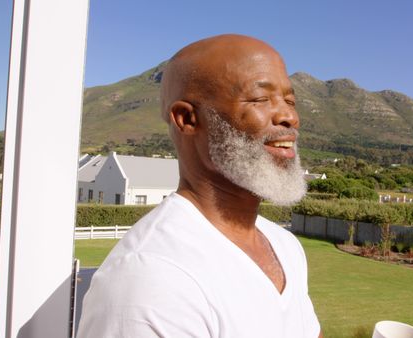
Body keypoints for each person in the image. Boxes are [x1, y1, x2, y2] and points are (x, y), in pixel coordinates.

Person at [78, 34, 322, 338]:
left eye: (290, 101)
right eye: (260, 99)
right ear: (187, 119)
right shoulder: (151, 278)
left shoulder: (286, 246)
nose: (290, 117)